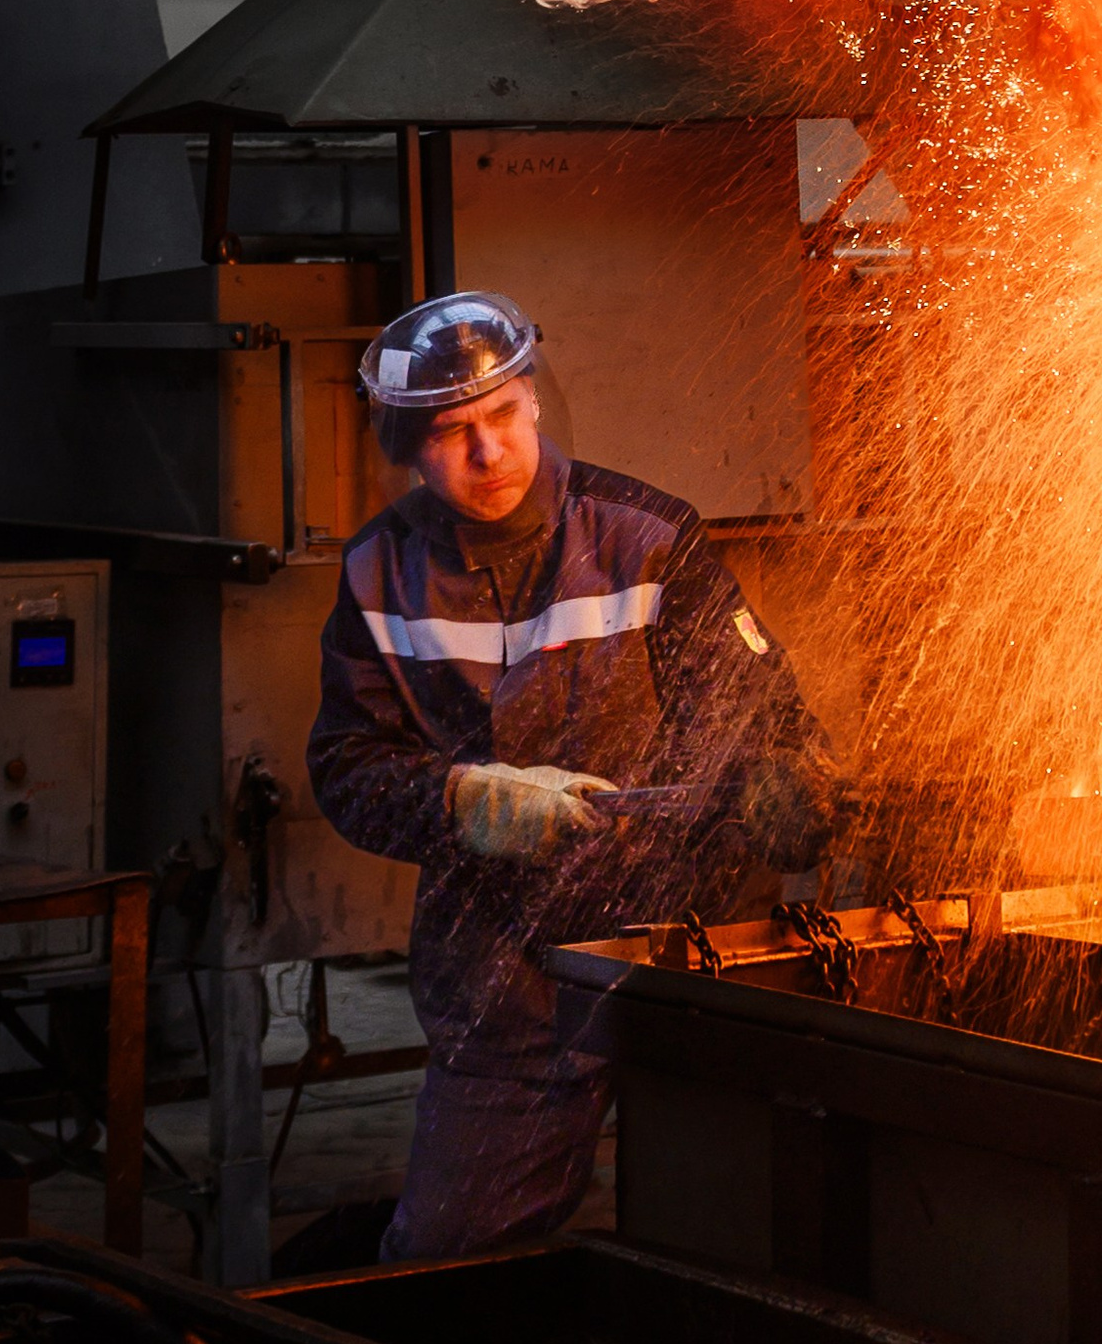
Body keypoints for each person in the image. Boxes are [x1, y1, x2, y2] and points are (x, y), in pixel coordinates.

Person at [308, 286, 836, 1261]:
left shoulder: (643, 535)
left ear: (535, 404)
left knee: (729, 1259)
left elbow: (767, 720)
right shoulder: (379, 572)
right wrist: (462, 801)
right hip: (506, 971)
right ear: (407, 446)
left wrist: (782, 783)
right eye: (452, 431)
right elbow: (346, 766)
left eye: (503, 415)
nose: (487, 450)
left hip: (685, 953)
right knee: (452, 1262)